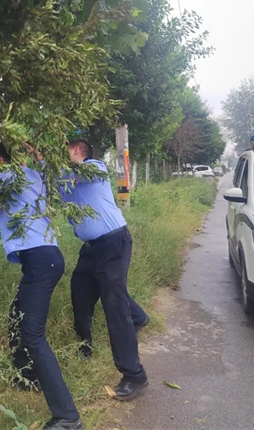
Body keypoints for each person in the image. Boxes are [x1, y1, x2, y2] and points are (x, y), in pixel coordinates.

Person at [0, 144, 84, 430]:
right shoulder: (32, 175)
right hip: (45, 258)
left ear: (1, 161)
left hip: (40, 261)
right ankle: (27, 377)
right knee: (17, 317)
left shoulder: (12, 176)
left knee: (33, 335)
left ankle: (68, 417)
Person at [59, 138, 149, 401]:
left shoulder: (94, 167)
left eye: (66, 151)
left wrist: (47, 163)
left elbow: (74, 173)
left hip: (113, 242)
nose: (63, 156)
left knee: (114, 306)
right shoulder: (68, 180)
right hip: (90, 248)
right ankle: (84, 348)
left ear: (77, 150)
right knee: (80, 292)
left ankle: (134, 375)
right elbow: (56, 189)